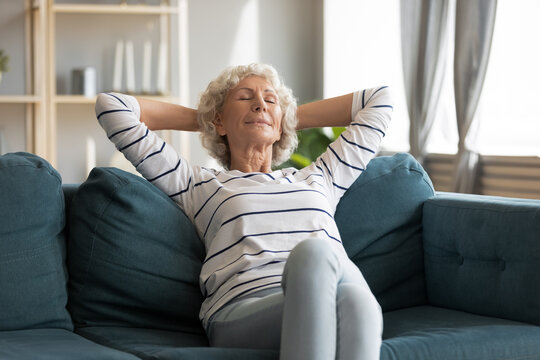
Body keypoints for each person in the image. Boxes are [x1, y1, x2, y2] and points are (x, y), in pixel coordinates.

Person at [95, 63, 393, 360]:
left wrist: (282, 118)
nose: (260, 104)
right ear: (220, 122)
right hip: (244, 307)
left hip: (331, 292)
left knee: (355, 300)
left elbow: (379, 99)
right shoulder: (198, 183)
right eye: (245, 98)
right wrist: (208, 119)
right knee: (317, 255)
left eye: (269, 99)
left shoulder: (321, 178)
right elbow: (113, 108)